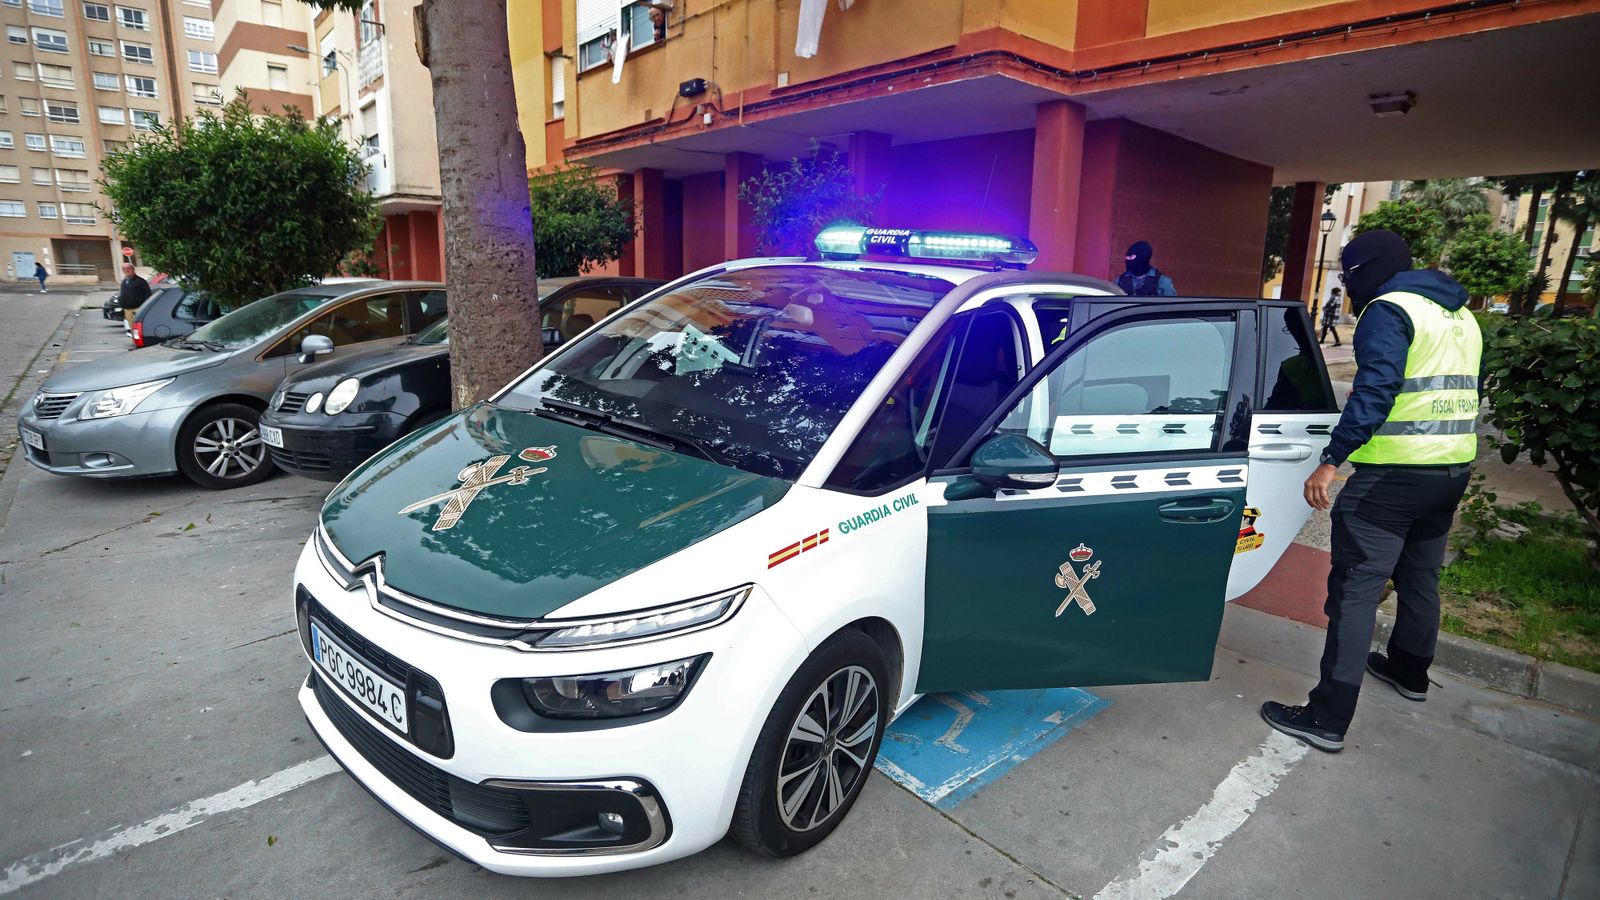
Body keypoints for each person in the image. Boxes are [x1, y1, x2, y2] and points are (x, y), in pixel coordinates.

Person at [1262, 229, 1481, 753]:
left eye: (1347, 272)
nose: (1346, 282)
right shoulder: (1460, 315)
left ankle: (1327, 716)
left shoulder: (1390, 309)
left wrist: (1332, 460)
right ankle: (1410, 672)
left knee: (1354, 594)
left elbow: (1376, 389)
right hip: (1451, 471)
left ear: (1366, 270)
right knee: (1421, 577)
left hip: (1393, 477)